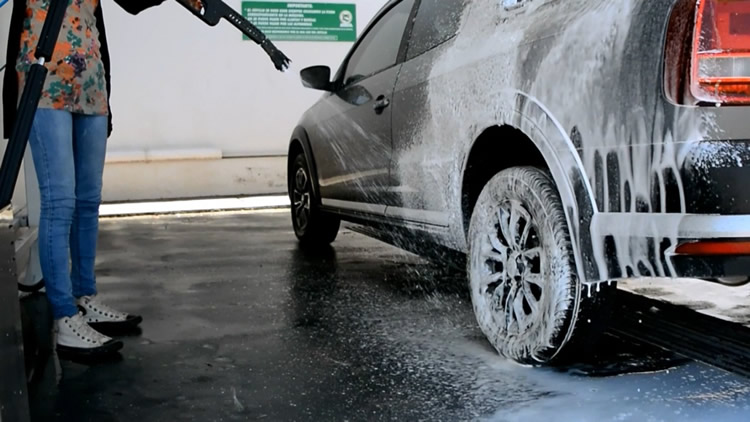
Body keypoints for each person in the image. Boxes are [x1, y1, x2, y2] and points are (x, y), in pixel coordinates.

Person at [2, 0, 200, 357]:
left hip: (91, 80)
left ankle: (84, 297)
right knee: (60, 200)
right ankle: (64, 317)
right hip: (43, 80)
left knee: (88, 200)